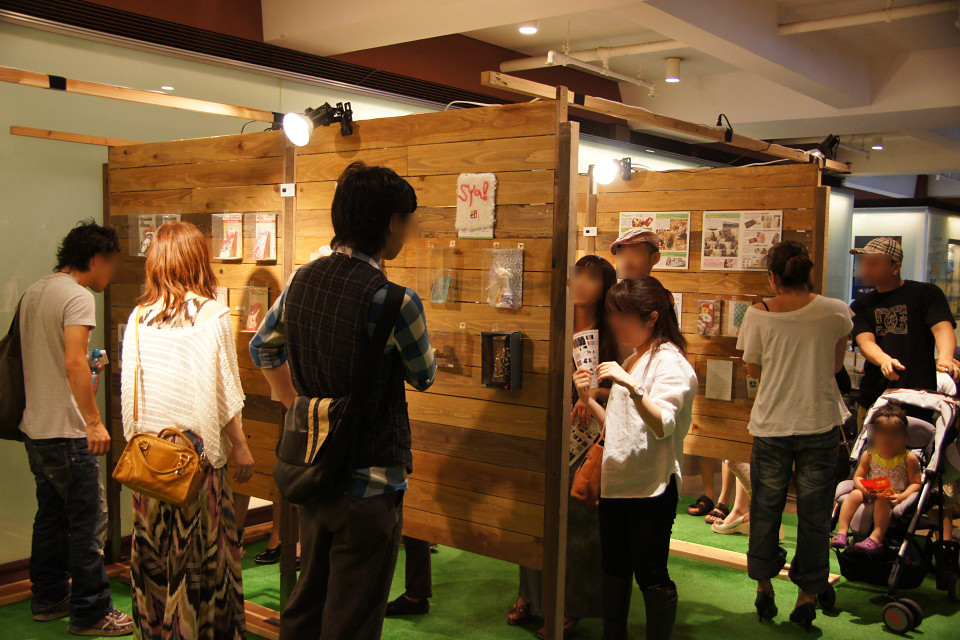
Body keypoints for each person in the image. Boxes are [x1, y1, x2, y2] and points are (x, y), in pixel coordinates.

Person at [250, 162, 436, 640]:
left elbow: (262, 346)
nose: (408, 232)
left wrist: (296, 403)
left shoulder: (300, 281)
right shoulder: (397, 301)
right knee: (352, 620)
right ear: (390, 223)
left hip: (312, 469)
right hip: (370, 480)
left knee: (307, 604)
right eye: (407, 221)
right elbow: (424, 375)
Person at [120, 222, 254, 639]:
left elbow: (130, 391)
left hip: (149, 459)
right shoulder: (211, 314)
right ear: (198, 259)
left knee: (154, 556)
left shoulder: (139, 316)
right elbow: (224, 392)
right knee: (200, 560)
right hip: (195, 460)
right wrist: (240, 446)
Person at [18, 220, 132, 636]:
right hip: (66, 430)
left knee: (50, 516)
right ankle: (91, 611)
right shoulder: (78, 296)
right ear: (97, 258)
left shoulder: (36, 291)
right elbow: (72, 361)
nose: (112, 274)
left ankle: (49, 599)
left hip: (36, 427)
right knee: (88, 521)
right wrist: (94, 421)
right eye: (112, 263)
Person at [736, 241, 853, 629]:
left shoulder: (758, 313)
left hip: (772, 424)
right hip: (819, 421)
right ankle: (807, 596)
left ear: (772, 276)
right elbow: (835, 365)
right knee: (815, 516)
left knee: (765, 509)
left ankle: (764, 588)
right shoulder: (837, 310)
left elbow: (753, 369)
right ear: (809, 273)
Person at [574, 277, 697, 640]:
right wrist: (586, 398)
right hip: (617, 483)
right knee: (614, 568)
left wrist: (631, 384)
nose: (614, 323)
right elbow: (618, 427)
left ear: (652, 317)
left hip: (650, 488)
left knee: (651, 574)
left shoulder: (670, 362)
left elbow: (663, 425)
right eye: (612, 314)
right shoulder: (634, 357)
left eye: (622, 315)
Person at [508, 255, 616, 636]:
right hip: (546, 428)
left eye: (592, 277)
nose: (581, 282)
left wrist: (595, 394)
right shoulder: (554, 325)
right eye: (578, 274)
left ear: (605, 287)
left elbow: (627, 386)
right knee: (535, 511)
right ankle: (529, 593)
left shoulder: (611, 333)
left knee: (580, 523)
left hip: (588, 438)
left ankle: (571, 605)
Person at [610, 228, 718, 518]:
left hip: (650, 469)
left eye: (635, 252)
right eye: (621, 253)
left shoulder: (665, 346)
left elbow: (663, 422)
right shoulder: (616, 294)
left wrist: (631, 382)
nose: (626, 260)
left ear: (654, 258)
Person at [850, 237, 958, 427]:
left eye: (873, 263)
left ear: (895, 267)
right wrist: (884, 360)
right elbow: (865, 342)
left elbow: (942, 328)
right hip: (876, 395)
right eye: (863, 262)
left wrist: (946, 357)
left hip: (919, 396)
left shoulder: (926, 293)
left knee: (916, 445)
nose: (865, 268)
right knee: (870, 445)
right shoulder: (860, 305)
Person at [831, 405, 922, 554]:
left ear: (905, 436)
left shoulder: (909, 458)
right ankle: (842, 532)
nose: (888, 438)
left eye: (895, 434)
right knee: (854, 494)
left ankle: (876, 537)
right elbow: (858, 476)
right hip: (869, 490)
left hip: (891, 496)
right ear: (874, 435)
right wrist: (862, 488)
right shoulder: (869, 454)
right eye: (883, 433)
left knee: (882, 498)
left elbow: (916, 483)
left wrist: (902, 496)